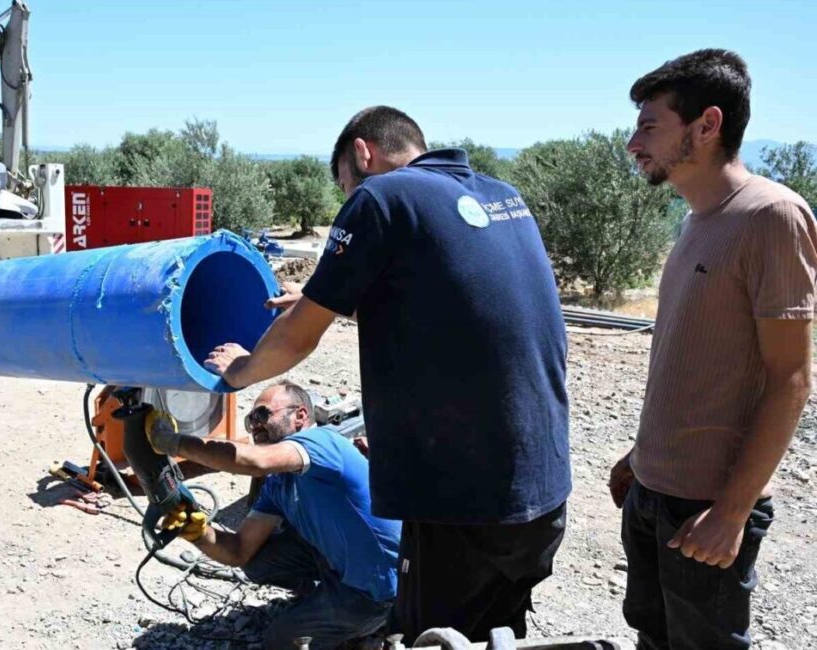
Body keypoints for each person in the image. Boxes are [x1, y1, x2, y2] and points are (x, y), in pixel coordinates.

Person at [204, 106, 570, 643]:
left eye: (344, 184)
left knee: (434, 637)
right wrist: (325, 297)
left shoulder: (380, 196)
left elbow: (297, 338)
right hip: (540, 488)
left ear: (363, 152)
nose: (348, 195)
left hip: (461, 499)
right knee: (497, 634)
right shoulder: (501, 194)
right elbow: (454, 301)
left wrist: (239, 371)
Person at [610, 49, 816, 650]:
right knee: (653, 639)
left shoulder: (772, 215)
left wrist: (732, 512)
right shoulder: (697, 220)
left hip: (706, 505)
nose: (633, 144)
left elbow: (791, 377)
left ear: (707, 125)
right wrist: (642, 457)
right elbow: (698, 360)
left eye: (650, 126)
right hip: (653, 492)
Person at [147, 381, 400, 650]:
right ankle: (326, 600)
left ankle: (382, 619)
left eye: (262, 414)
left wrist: (172, 442)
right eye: (250, 420)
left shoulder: (321, 442)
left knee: (282, 641)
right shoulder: (278, 483)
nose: (254, 425)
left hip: (380, 585)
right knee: (256, 562)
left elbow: (255, 460)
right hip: (337, 560)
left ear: (300, 416)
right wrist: (198, 532)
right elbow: (239, 551)